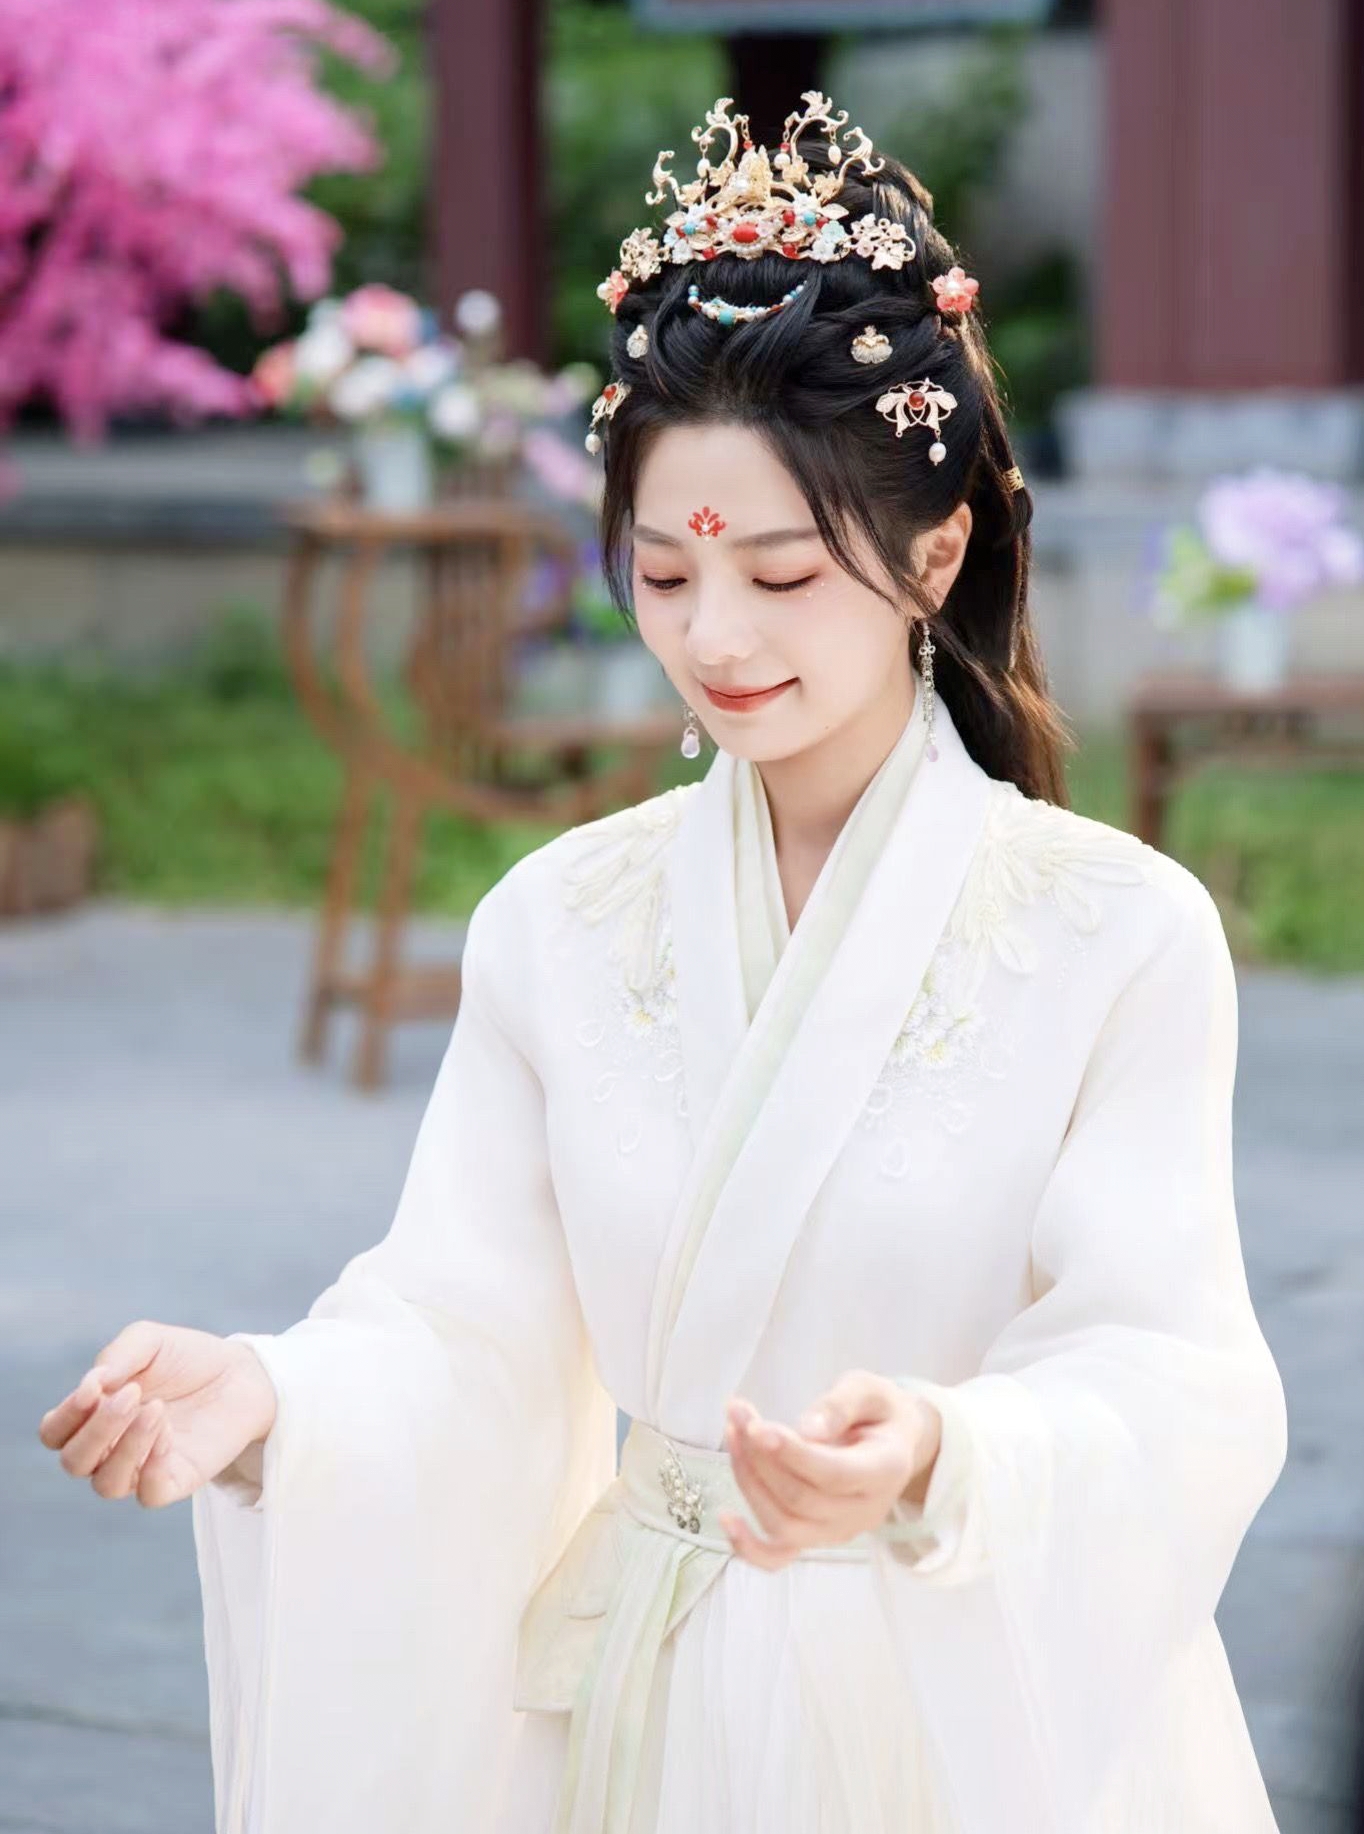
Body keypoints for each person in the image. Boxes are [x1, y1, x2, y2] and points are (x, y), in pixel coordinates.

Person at [38, 93, 1287, 1834]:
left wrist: (945, 1456)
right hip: (661, 1700)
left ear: (936, 552)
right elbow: (462, 1330)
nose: (716, 637)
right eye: (664, 572)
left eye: (780, 571)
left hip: (965, 1706)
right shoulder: (559, 925)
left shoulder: (1115, 934)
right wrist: (274, 1402)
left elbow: (1174, 1373)